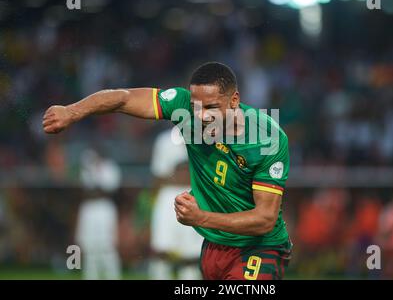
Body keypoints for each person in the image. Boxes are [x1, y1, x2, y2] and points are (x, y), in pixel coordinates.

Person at [43, 61, 292, 280]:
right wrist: (71, 112)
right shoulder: (182, 108)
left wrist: (201, 218)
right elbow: (124, 98)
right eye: (197, 107)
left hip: (259, 246)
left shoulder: (266, 138)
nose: (203, 116)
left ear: (235, 100)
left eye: (212, 107)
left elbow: (264, 220)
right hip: (215, 245)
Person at [148, 126, 203, 280]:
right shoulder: (164, 140)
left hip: (193, 194)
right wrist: (153, 205)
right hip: (168, 196)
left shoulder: (204, 139)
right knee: (162, 250)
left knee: (191, 254)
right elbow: (158, 174)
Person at [76, 148, 122, 280]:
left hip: (104, 208)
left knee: (107, 246)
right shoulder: (86, 166)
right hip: (88, 208)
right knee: (89, 248)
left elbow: (109, 190)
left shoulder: (110, 168)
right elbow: (83, 190)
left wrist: (96, 185)